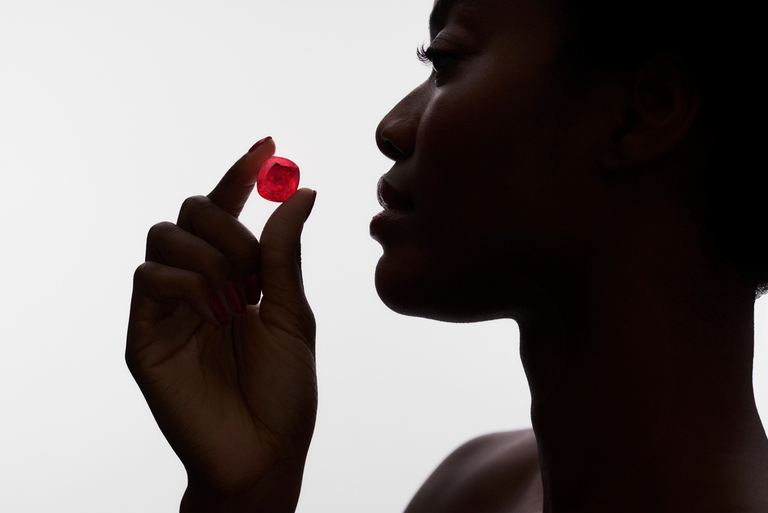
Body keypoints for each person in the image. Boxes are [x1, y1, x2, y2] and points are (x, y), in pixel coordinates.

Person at [126, 0, 768, 511]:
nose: (391, 127)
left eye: (447, 60)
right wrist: (243, 499)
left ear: (642, 114)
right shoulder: (468, 491)